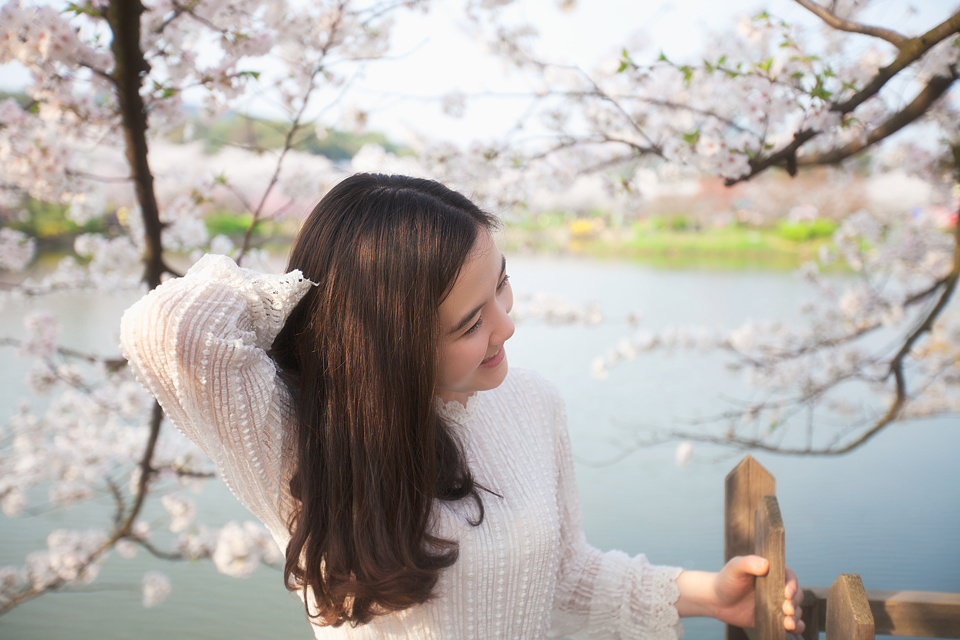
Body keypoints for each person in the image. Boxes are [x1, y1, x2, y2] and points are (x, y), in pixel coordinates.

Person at [120, 173, 804, 639]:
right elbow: (169, 333)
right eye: (468, 323)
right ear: (386, 346)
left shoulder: (535, 403)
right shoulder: (303, 438)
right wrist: (329, 293)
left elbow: (565, 573)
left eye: (501, 287)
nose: (506, 327)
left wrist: (709, 596)